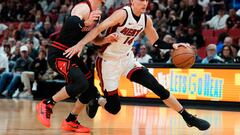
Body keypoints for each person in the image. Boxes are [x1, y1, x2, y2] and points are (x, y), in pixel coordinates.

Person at [64, 0, 211, 131]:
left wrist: (173, 45)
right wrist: (80, 44)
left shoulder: (146, 20)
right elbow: (97, 30)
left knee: (157, 88)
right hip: (108, 62)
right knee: (114, 108)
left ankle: (187, 117)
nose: (145, 3)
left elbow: (156, 42)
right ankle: (97, 99)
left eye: (147, 0)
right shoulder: (121, 14)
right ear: (132, 1)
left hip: (128, 60)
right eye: (141, 0)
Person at [36, 0, 116, 133]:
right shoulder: (84, 7)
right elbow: (70, 23)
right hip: (59, 53)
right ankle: (47, 104)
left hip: (71, 55)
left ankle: (71, 121)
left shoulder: (97, 14)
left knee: (90, 89)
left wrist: (107, 39)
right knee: (80, 83)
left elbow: (94, 39)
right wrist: (85, 22)